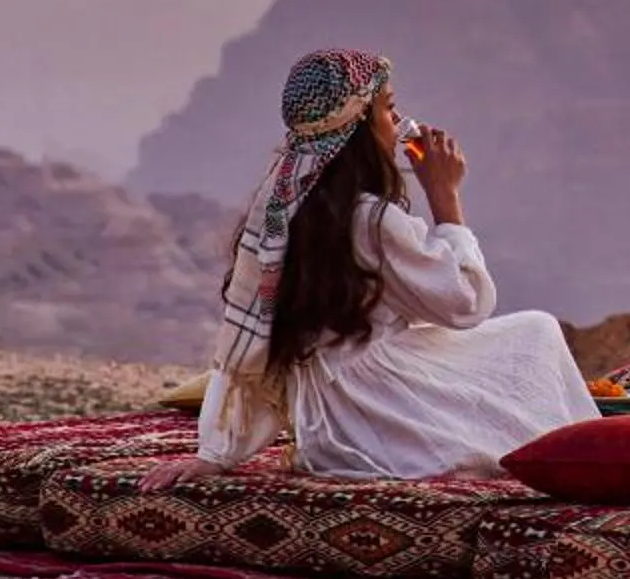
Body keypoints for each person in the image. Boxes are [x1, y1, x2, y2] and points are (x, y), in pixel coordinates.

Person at [142, 46, 595, 487]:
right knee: (535, 331)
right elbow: (467, 305)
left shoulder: (279, 214)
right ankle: (583, 451)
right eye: (389, 109)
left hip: (329, 437)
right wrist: (446, 200)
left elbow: (255, 350)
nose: (398, 124)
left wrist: (216, 454)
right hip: (391, 425)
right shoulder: (374, 220)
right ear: (359, 124)